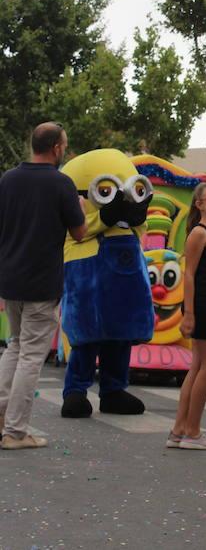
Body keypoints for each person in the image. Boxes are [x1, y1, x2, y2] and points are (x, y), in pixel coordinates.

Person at [0, 123, 87, 449]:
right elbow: (79, 233)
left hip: (10, 279)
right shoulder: (61, 184)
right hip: (41, 282)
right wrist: (82, 210)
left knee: (15, 346)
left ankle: (3, 420)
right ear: (56, 148)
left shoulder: (7, 180)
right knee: (31, 356)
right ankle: (15, 431)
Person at [166, 182, 206, 450]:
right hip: (201, 306)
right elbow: (189, 274)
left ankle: (179, 430)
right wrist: (189, 313)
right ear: (199, 204)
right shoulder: (199, 234)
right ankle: (192, 431)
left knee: (198, 366)